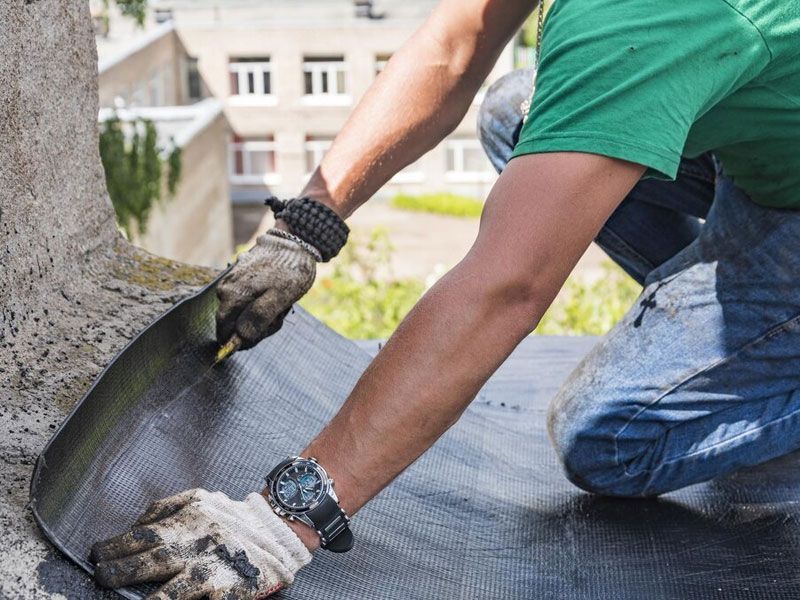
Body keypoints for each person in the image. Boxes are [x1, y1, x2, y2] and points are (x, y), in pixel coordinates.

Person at [90, 0, 800, 597]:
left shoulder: (645, 18)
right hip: (765, 134)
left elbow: (508, 287)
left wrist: (286, 517)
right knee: (520, 113)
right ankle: (733, 325)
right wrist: (306, 225)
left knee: (609, 439)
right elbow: (452, 49)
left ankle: (757, 340)